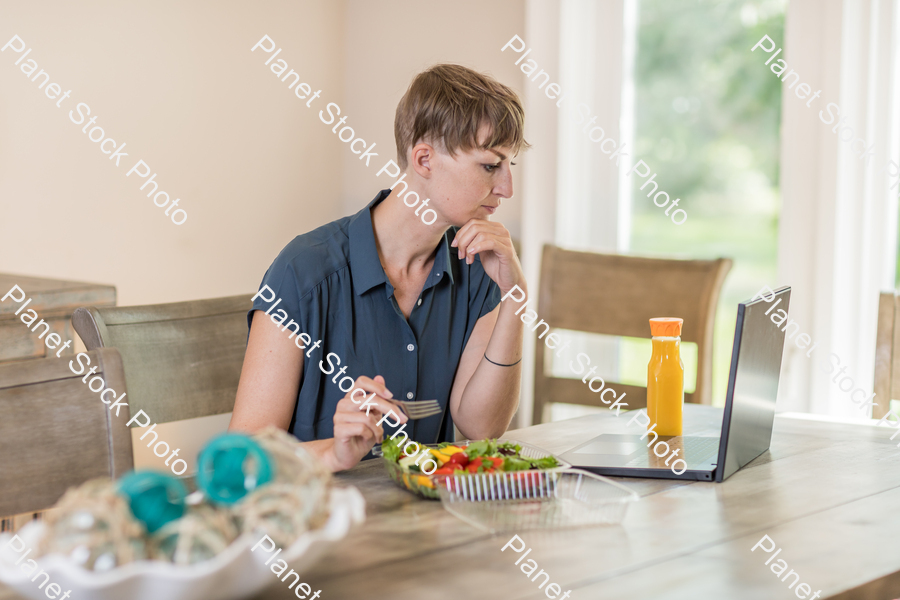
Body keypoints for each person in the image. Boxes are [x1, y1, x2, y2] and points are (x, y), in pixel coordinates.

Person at [228, 64, 529, 472]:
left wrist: (515, 298)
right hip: (315, 524)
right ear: (424, 159)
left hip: (421, 524)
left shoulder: (477, 268)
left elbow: (482, 428)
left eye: (511, 165)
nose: (507, 187)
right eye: (491, 165)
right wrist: (334, 453)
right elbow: (241, 458)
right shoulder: (304, 272)